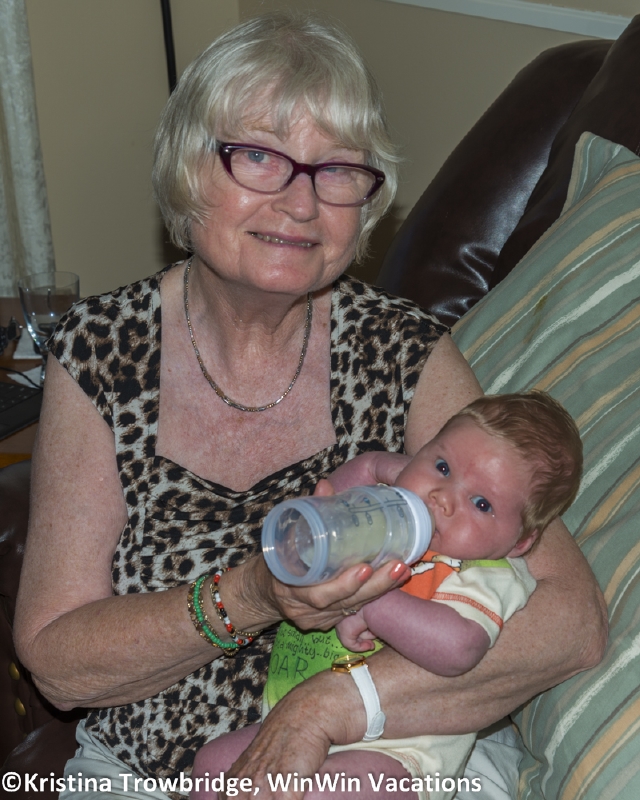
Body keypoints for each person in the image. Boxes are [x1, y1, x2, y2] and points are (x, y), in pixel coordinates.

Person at [13, 11, 605, 800]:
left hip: (383, 757)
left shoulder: (403, 351)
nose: (300, 204)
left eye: (337, 170)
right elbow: (56, 660)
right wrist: (255, 593)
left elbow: (572, 622)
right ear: (188, 171)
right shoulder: (100, 351)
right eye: (259, 156)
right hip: (149, 773)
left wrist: (329, 706)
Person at [191, 392, 583, 800]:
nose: (442, 497)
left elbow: (460, 647)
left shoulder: (483, 572)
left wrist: (370, 602)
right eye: (442, 467)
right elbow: (325, 505)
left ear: (520, 541)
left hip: (398, 754)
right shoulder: (384, 514)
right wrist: (373, 467)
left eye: (481, 503)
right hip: (286, 724)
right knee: (212, 767)